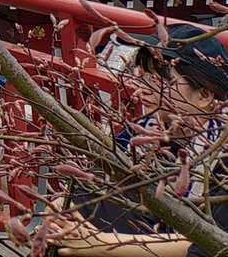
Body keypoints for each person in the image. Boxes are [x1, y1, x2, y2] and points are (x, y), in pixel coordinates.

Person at [53, 24, 228, 257]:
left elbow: (212, 244)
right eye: (143, 75)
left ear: (204, 95)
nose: (141, 87)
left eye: (158, 79)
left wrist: (100, 244)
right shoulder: (142, 131)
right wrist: (61, 209)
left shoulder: (222, 158)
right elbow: (95, 182)